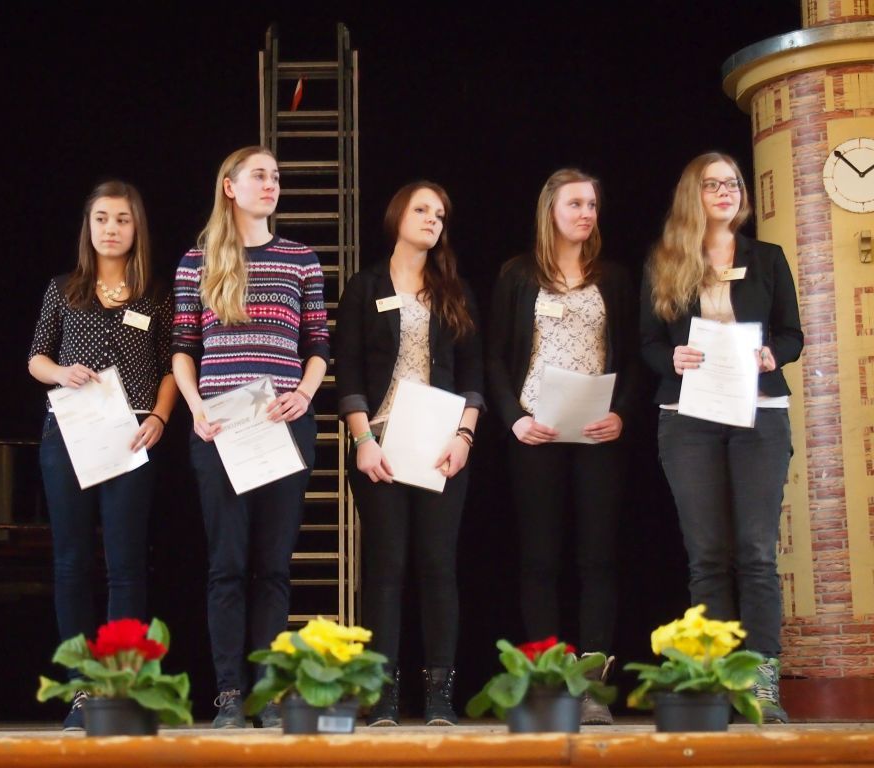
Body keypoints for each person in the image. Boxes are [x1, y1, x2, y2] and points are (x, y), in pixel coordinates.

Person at [641, 151, 803, 724]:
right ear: (694, 194)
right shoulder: (665, 261)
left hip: (759, 409)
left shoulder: (767, 257)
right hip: (689, 415)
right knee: (707, 556)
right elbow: (648, 344)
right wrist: (672, 358)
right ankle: (714, 681)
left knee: (756, 553)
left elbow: (792, 334)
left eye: (732, 183)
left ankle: (761, 685)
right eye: (713, 185)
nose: (726, 192)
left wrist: (772, 354)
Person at [171, 146, 329, 729]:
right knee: (227, 565)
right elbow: (183, 349)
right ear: (229, 186)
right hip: (220, 429)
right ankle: (229, 694)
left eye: (276, 177)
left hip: (283, 424)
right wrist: (195, 409)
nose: (271, 184)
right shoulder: (197, 261)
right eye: (259, 175)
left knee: (273, 566)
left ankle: (266, 692)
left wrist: (305, 394)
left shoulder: (301, 259)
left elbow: (318, 345)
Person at [486, 169, 637, 725]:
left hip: (597, 432)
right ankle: (549, 681)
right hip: (537, 430)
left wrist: (622, 414)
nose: (586, 214)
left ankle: (593, 685)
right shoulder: (517, 275)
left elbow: (632, 356)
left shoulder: (614, 277)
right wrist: (514, 420)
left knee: (597, 558)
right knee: (540, 559)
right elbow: (495, 357)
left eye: (592, 205)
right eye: (575, 204)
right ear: (550, 209)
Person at [28, 180, 176, 730]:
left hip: (132, 433)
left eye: (122, 219)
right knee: (71, 562)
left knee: (126, 564)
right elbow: (35, 358)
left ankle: (122, 687)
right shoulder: (63, 288)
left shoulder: (155, 294)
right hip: (70, 432)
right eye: (101, 219)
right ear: (88, 227)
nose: (111, 229)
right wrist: (61, 372)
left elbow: (171, 365)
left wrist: (160, 417)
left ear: (137, 228)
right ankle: (81, 691)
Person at [336, 181, 483, 727]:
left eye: (439, 214)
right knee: (386, 566)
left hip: (441, 444)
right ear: (397, 215)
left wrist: (464, 437)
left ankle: (440, 692)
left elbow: (473, 373)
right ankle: (382, 696)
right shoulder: (365, 286)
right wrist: (362, 441)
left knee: (438, 565)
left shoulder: (454, 290)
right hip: (380, 444)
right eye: (422, 210)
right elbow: (348, 371)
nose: (431, 220)